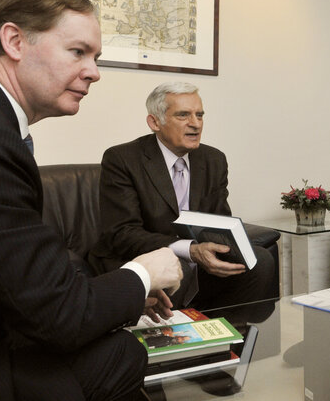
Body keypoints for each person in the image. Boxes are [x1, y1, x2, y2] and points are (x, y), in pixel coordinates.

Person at [0, 0, 182, 400]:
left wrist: (118, 295)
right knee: (122, 352)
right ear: (14, 40)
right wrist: (143, 274)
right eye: (78, 52)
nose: (95, 72)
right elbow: (56, 314)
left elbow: (15, 277)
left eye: (96, 56)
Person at [89, 82, 275, 312]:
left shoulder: (213, 160)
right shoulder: (122, 159)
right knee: (175, 268)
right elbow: (123, 234)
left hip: (198, 262)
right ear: (155, 122)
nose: (195, 124)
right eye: (183, 115)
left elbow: (219, 220)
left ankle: (231, 335)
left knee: (260, 261)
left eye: (199, 115)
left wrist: (228, 248)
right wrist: (189, 250)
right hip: (142, 258)